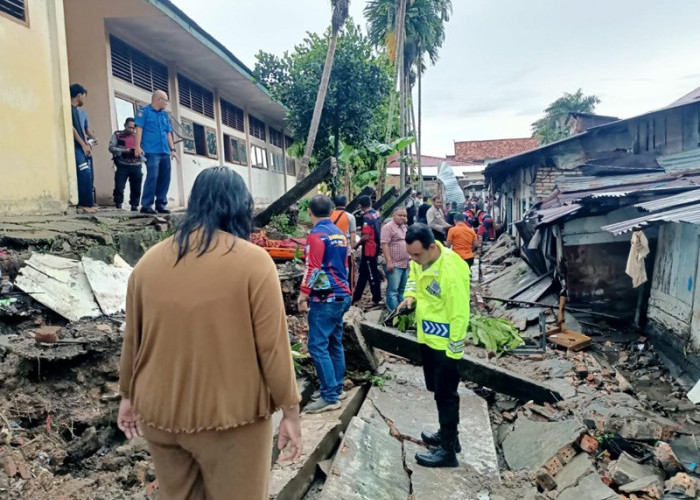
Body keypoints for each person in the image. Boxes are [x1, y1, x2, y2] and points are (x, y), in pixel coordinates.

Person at [117, 167, 302, 499]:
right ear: (241, 206)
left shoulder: (147, 264)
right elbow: (273, 348)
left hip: (160, 416)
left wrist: (128, 397)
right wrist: (290, 410)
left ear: (194, 204)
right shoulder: (254, 263)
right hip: (231, 420)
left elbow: (133, 340)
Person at [397, 224, 470, 468]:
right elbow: (413, 281)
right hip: (428, 338)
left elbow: (460, 315)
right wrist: (410, 298)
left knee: (447, 395)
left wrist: (454, 352)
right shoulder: (419, 261)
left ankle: (448, 452)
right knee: (438, 392)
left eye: (417, 255)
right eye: (411, 256)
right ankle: (450, 435)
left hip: (446, 347)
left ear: (432, 247)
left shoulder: (451, 270)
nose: (414, 261)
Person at [298, 195, 352, 413]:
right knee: (334, 343)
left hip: (325, 297)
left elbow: (313, 268)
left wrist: (303, 295)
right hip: (342, 294)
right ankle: (336, 388)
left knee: (317, 345)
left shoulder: (316, 235)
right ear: (331, 211)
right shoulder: (339, 234)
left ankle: (330, 396)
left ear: (310, 212)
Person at [134, 90, 177, 214]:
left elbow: (168, 133)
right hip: (151, 151)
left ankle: (161, 204)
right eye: (165, 100)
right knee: (152, 176)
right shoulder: (144, 111)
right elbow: (139, 129)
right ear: (158, 100)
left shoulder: (164, 115)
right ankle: (146, 205)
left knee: (165, 177)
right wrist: (137, 146)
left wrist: (173, 149)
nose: (167, 103)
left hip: (165, 151)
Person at [70, 84, 96, 213]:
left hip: (81, 146)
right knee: (84, 173)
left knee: (88, 174)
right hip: (76, 146)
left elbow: (82, 130)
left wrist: (87, 142)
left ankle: (89, 203)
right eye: (84, 96)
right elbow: (73, 129)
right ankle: (84, 205)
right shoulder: (69, 109)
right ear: (79, 94)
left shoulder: (77, 111)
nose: (84, 100)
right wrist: (82, 144)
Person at [352, 195, 383, 306]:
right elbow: (374, 227)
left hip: (369, 249)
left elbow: (365, 236)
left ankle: (377, 298)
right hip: (375, 246)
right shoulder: (375, 213)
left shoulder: (366, 217)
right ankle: (356, 296)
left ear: (360, 206)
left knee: (371, 274)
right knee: (363, 273)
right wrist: (360, 228)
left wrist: (355, 245)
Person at [108, 118, 143, 211]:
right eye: (130, 127)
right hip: (122, 164)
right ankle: (118, 204)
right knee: (119, 186)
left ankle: (134, 206)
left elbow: (144, 149)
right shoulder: (117, 135)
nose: (132, 130)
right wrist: (124, 151)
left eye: (134, 128)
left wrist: (138, 151)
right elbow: (111, 148)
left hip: (136, 164)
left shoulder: (138, 136)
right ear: (125, 125)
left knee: (136, 187)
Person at [380, 207, 410, 312]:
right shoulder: (388, 227)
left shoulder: (404, 227)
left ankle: (402, 311)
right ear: (393, 216)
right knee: (393, 290)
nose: (403, 217)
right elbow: (384, 244)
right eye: (400, 215)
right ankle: (393, 313)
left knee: (403, 290)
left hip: (404, 264)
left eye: (404, 215)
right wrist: (389, 262)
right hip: (394, 264)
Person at [330, 195, 357, 293]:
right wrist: (354, 248)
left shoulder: (329, 216)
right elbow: (353, 237)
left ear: (334, 203)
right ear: (346, 203)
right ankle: (348, 295)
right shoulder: (350, 217)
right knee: (348, 275)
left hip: (331, 250)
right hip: (345, 251)